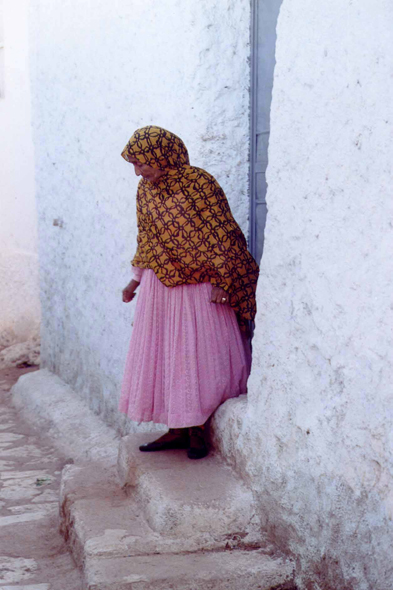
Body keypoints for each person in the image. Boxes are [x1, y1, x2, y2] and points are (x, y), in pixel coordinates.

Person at [118, 125, 259, 459]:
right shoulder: (145, 191)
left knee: (195, 353)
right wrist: (135, 280)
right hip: (160, 282)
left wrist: (225, 280)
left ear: (161, 155)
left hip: (199, 284)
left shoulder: (199, 184)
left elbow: (222, 232)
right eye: (134, 165)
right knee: (166, 353)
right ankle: (177, 429)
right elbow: (147, 238)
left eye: (142, 163)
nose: (139, 172)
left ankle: (197, 429)